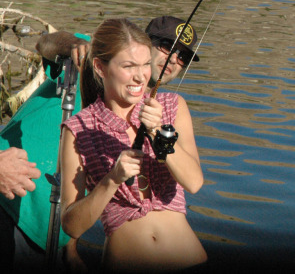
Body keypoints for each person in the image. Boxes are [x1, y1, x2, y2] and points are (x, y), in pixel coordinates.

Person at [0, 15, 200, 273]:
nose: (173, 59)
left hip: (45, 228)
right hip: (7, 187)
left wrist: (70, 246)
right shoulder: (95, 54)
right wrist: (72, 44)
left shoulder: (163, 111)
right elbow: (46, 43)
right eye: (166, 46)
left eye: (182, 56)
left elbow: (83, 185)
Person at [60, 18, 207, 273]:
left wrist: (158, 132)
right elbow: (71, 225)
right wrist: (112, 179)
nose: (140, 76)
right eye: (128, 66)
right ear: (100, 67)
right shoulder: (78, 129)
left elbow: (194, 183)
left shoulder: (173, 106)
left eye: (144, 66)